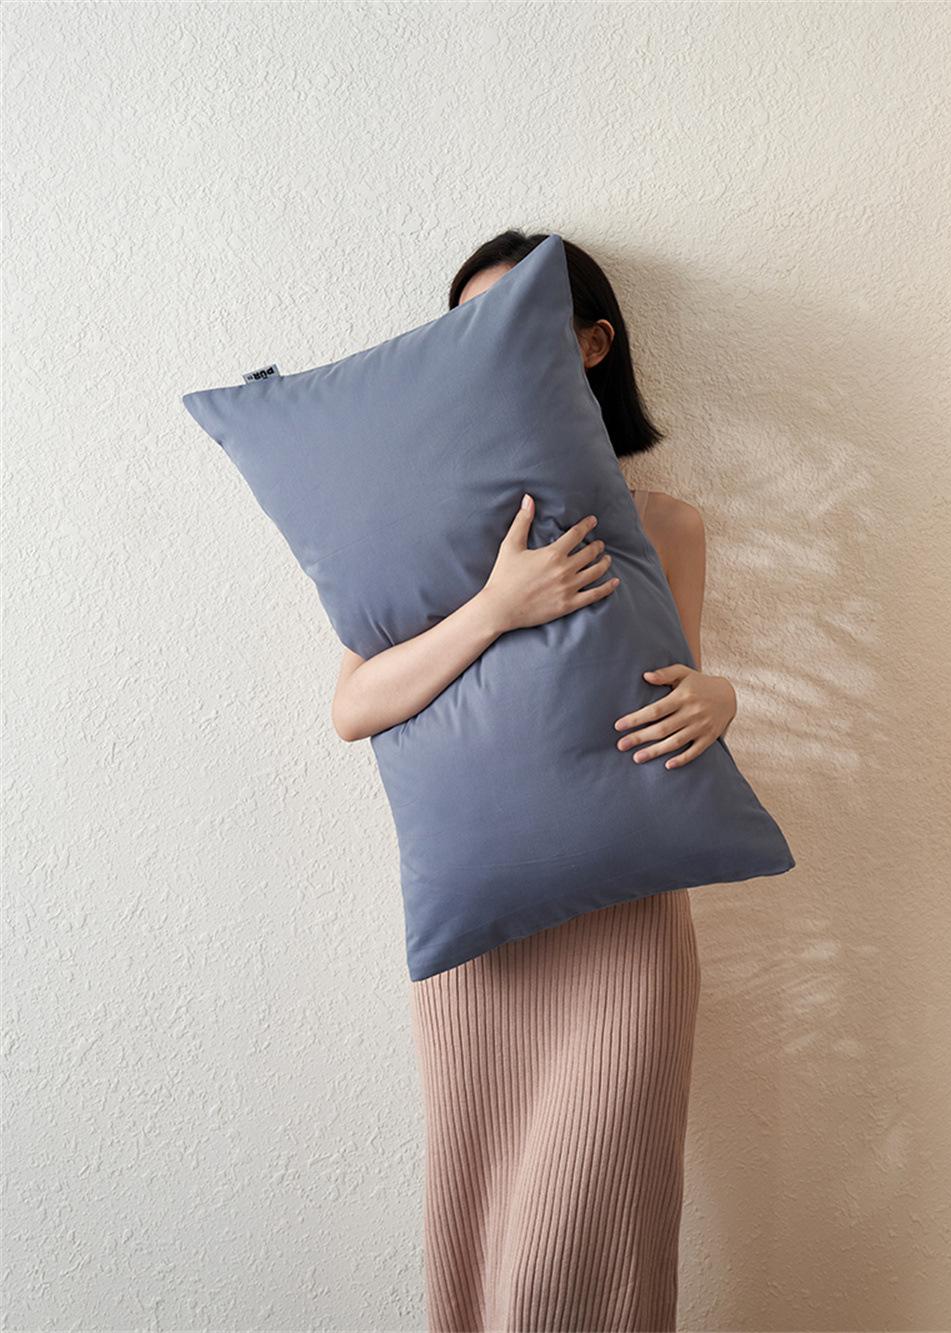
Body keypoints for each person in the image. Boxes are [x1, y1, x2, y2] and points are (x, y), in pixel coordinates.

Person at [332, 231, 739, 1332]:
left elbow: (673, 682)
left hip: (629, 925)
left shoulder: (668, 525)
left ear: (592, 343)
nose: (489, 349)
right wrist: (495, 608)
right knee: (480, 1222)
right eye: (467, 330)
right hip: (482, 936)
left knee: (596, 1237)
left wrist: (721, 700)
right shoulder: (426, 526)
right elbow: (354, 705)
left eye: (516, 321)